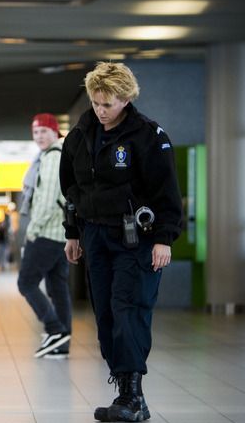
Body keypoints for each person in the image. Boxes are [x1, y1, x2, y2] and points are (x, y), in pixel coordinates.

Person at [59, 62, 182, 422]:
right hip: (95, 234)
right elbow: (70, 188)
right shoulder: (80, 135)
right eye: (96, 102)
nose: (100, 110)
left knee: (129, 308)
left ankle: (133, 395)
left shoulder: (148, 135)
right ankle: (125, 394)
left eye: (107, 104)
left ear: (126, 99)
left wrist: (164, 239)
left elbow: (167, 193)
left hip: (137, 237)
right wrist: (72, 232)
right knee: (107, 314)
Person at [17, 113, 72, 359]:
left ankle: (55, 329)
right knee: (57, 286)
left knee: (26, 282)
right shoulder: (58, 155)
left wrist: (32, 230)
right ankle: (62, 342)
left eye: (44, 131)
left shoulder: (52, 158)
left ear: (54, 132)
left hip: (47, 233)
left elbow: (48, 200)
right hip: (61, 233)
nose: (39, 136)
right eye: (35, 132)